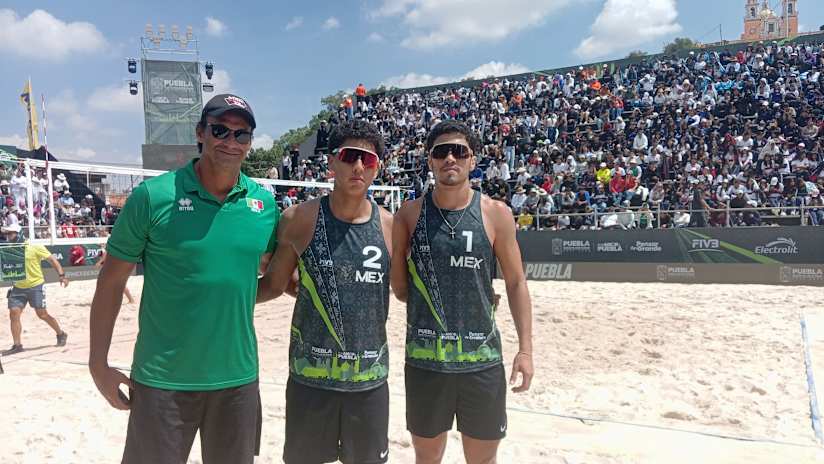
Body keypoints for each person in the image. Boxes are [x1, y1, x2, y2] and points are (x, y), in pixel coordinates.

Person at [88, 94, 280, 463]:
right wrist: (98, 363)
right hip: (163, 381)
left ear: (250, 142)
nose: (231, 141)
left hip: (237, 381)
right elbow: (110, 283)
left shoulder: (263, 205)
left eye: (241, 134)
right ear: (200, 133)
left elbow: (267, 276)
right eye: (220, 130)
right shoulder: (152, 197)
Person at [391, 120, 534, 464]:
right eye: (441, 152)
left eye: (459, 151)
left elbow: (516, 282)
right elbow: (400, 287)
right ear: (430, 160)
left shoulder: (496, 214)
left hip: (481, 361)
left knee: (482, 460)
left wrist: (525, 350)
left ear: (473, 159)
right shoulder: (409, 214)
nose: (450, 158)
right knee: (427, 459)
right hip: (426, 361)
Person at [257, 119, 393, 464]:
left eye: (368, 159)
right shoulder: (298, 219)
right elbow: (274, 285)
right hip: (310, 379)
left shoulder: (391, 226)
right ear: (331, 161)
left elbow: (409, 290)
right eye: (349, 156)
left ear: (377, 168)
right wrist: (219, 294)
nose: (358, 166)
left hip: (369, 381)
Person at [2, 223, 69, 355]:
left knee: (42, 314)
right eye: (7, 234)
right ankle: (17, 345)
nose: (8, 236)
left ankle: (60, 333)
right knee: (14, 313)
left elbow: (52, 260)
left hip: (36, 285)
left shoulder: (34, 246)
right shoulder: (9, 249)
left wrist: (62, 275)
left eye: (11, 233)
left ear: (19, 234)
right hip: (18, 287)